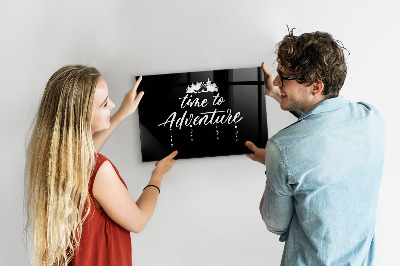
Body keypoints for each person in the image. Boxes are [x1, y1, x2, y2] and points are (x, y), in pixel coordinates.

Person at [245, 30, 385, 265]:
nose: (277, 81)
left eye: (284, 77)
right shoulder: (371, 118)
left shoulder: (282, 149)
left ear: (316, 87)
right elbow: (325, 124)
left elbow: (275, 224)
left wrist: (273, 163)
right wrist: (278, 94)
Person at [24, 65, 177, 266]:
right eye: (105, 104)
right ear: (81, 117)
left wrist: (122, 113)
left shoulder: (53, 160)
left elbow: (85, 157)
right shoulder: (99, 170)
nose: (112, 104)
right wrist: (157, 175)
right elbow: (138, 221)